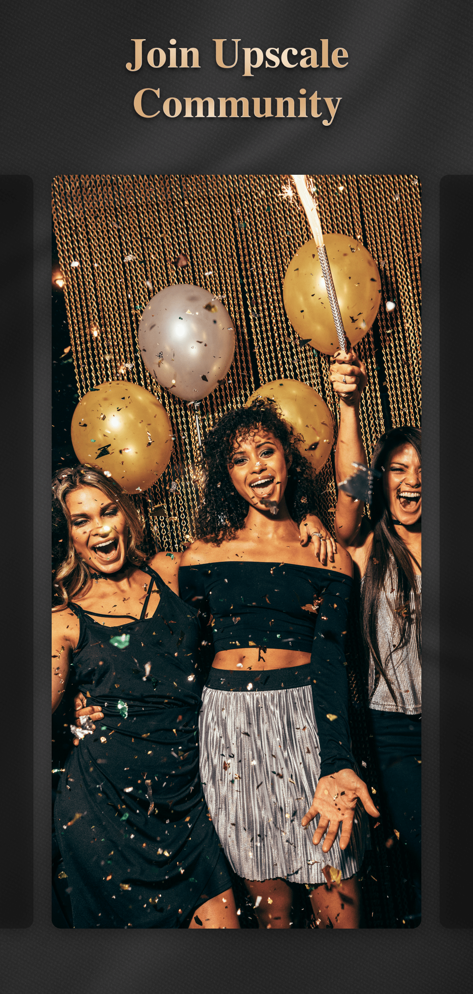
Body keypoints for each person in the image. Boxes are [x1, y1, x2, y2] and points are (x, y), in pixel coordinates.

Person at [179, 399, 379, 929]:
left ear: (288, 459)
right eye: (240, 459)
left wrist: (335, 760)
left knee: (339, 906)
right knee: (273, 917)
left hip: (307, 723)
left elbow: (333, 663)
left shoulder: (327, 553)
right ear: (227, 475)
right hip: (227, 729)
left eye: (266, 451)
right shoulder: (199, 557)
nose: (257, 467)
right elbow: (177, 658)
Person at [52, 464, 241, 929]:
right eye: (82, 521)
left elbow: (250, 558)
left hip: (188, 803)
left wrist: (310, 521)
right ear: (69, 536)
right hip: (104, 814)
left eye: (107, 512)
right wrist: (68, 723)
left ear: (126, 514)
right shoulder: (63, 620)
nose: (100, 529)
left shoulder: (170, 572)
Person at [329, 349, 421, 923]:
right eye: (399, 469)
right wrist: (347, 405)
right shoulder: (365, 550)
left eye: (424, 470)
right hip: (397, 736)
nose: (413, 482)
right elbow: (348, 487)